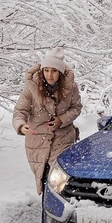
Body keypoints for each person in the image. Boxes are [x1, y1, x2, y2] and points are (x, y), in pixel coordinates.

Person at [13, 47, 83, 199]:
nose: (50, 75)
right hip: (37, 140)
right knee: (44, 179)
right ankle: (49, 210)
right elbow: (20, 111)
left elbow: (76, 108)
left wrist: (62, 119)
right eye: (47, 70)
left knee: (60, 180)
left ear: (60, 73)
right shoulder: (31, 88)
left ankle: (62, 211)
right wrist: (20, 125)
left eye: (54, 71)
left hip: (63, 139)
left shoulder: (70, 87)